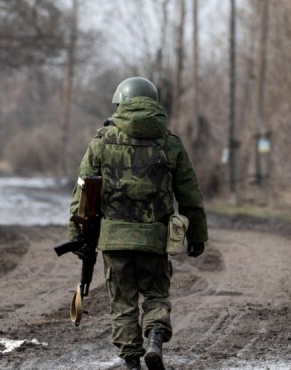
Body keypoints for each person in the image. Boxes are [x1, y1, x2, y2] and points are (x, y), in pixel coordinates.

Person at [68, 76, 208, 370]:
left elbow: (83, 191)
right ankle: (155, 338)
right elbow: (189, 194)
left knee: (123, 302)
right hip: (155, 238)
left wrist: (77, 234)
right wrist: (197, 236)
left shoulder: (102, 141)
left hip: (114, 238)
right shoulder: (170, 144)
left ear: (121, 103)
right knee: (156, 294)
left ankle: (132, 360)